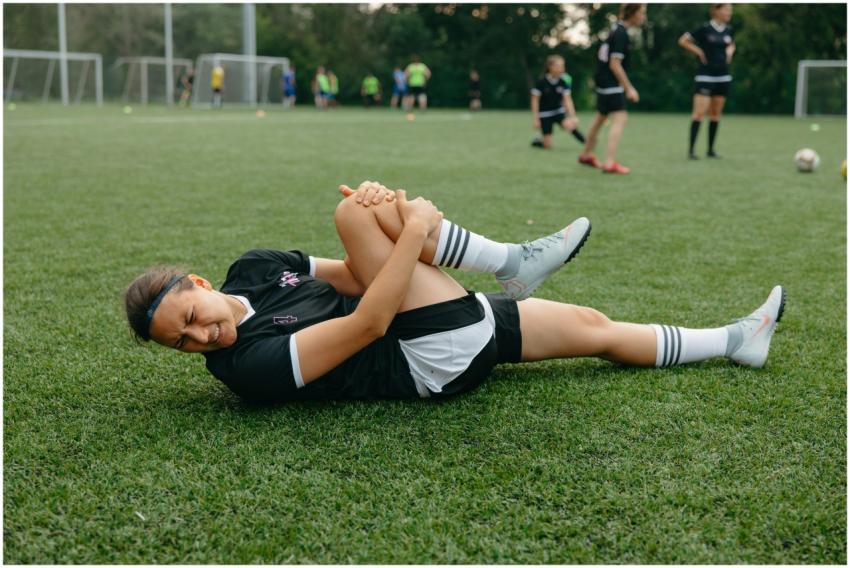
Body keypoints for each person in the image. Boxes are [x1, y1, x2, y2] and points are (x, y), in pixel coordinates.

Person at [125, 181, 785, 404]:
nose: (200, 338)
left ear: (202, 285)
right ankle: (508, 261)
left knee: (594, 325)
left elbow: (359, 278)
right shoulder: (246, 369)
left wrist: (395, 224)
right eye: (182, 344)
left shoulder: (257, 267)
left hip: (430, 319)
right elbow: (371, 320)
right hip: (422, 359)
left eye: (191, 317)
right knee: (355, 213)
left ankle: (737, 341)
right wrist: (408, 225)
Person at [579, 3, 646, 174]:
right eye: (642, 13)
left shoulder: (615, 29)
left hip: (603, 83)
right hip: (611, 84)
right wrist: (629, 88)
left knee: (600, 119)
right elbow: (615, 64)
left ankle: (586, 154)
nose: (644, 17)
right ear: (633, 14)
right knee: (620, 119)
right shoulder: (621, 34)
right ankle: (609, 163)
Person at [679, 4, 735, 159]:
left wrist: (730, 51)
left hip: (723, 77)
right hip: (705, 76)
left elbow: (731, 44)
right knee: (698, 113)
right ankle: (691, 151)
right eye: (726, 9)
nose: (729, 13)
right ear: (716, 11)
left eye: (730, 10)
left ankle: (710, 150)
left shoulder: (728, 30)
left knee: (715, 114)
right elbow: (683, 40)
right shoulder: (704, 29)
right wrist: (698, 51)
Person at [530, 55, 586, 150]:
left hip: (558, 112)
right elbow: (535, 100)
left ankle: (587, 143)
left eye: (563, 66)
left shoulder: (563, 82)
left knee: (570, 126)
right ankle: (538, 141)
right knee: (548, 146)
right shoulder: (541, 82)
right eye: (558, 66)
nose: (562, 68)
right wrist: (536, 118)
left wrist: (573, 116)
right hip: (545, 114)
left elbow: (567, 100)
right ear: (550, 67)